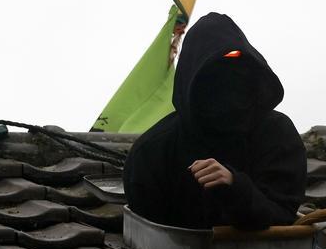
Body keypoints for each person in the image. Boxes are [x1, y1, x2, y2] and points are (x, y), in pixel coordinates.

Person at [123, 13, 307, 230]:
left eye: (239, 78)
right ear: (191, 82)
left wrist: (235, 187)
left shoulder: (277, 136)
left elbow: (282, 216)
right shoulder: (153, 151)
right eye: (213, 80)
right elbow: (150, 235)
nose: (228, 91)